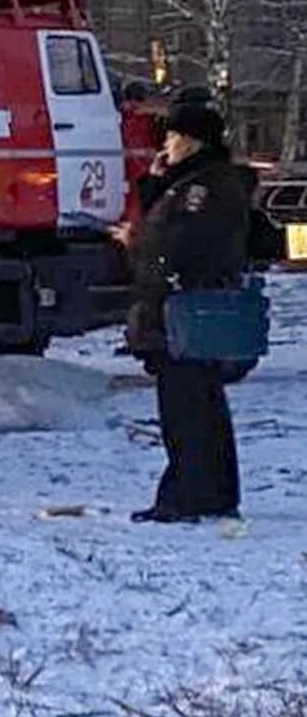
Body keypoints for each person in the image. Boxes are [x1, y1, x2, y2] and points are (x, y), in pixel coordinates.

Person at [124, 100, 249, 523]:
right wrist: (155, 188)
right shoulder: (191, 182)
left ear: (193, 141)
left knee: (187, 409)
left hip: (187, 311)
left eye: (173, 137)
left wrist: (139, 249)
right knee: (200, 405)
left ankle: (188, 495)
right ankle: (209, 492)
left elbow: (181, 245)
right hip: (183, 310)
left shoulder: (205, 188)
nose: (166, 145)